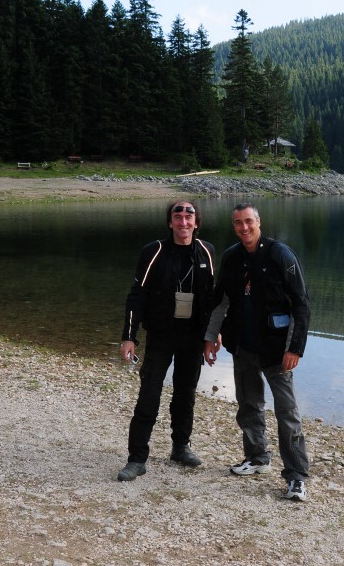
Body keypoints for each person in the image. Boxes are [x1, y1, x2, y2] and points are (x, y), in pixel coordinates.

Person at [203, 203, 312, 501]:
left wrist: (295, 348)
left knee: (287, 413)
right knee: (249, 406)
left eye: (248, 221)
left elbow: (301, 304)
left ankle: (297, 476)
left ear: (259, 222)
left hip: (278, 351)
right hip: (243, 347)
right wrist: (210, 337)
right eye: (238, 223)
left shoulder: (280, 254)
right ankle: (257, 458)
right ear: (234, 226)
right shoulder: (231, 257)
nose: (244, 227)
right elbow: (221, 301)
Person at [117, 200, 217, 482]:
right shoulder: (154, 251)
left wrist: (213, 334)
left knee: (185, 394)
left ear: (197, 223)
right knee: (149, 394)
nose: (183, 222)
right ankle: (137, 458)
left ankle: (180, 446)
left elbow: (211, 298)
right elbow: (137, 295)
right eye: (178, 216)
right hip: (160, 336)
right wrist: (128, 336)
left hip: (193, 337)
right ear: (170, 222)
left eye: (189, 216)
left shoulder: (207, 252)